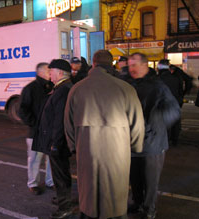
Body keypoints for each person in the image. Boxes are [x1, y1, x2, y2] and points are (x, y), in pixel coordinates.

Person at [64, 50, 145, 219]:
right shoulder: (126, 88)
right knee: (114, 191)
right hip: (117, 150)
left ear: (93, 64)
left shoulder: (77, 88)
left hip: (87, 149)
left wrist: (74, 147)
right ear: (112, 65)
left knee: (89, 190)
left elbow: (68, 123)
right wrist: (136, 147)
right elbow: (137, 124)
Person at [127, 53, 180, 219]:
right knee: (134, 178)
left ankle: (149, 208)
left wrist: (154, 121)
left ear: (145, 65)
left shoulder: (158, 85)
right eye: (129, 65)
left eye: (135, 64)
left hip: (153, 143)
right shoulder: (129, 84)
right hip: (132, 142)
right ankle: (137, 202)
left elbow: (173, 110)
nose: (132, 69)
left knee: (150, 181)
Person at [32, 59, 73, 219]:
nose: (49, 74)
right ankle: (63, 198)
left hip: (59, 142)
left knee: (61, 174)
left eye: (52, 71)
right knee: (60, 173)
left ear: (60, 73)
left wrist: (55, 144)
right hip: (58, 141)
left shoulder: (63, 90)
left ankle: (65, 206)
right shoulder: (61, 88)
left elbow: (59, 121)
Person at [18, 62, 54, 195]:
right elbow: (22, 110)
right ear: (40, 72)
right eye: (48, 71)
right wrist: (35, 124)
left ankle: (51, 181)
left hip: (50, 131)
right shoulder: (30, 88)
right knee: (34, 160)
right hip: (36, 132)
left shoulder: (52, 86)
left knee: (51, 159)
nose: (50, 73)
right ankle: (33, 183)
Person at [158, 59, 183, 146]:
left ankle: (167, 141)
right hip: (175, 102)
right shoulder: (176, 78)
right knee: (175, 123)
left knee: (165, 124)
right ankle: (175, 140)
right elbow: (180, 91)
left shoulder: (159, 79)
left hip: (164, 103)